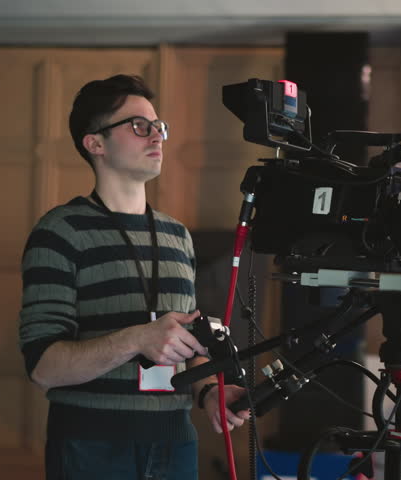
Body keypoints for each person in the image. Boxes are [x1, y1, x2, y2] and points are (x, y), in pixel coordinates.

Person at [18, 74, 250, 479]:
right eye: (139, 126)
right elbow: (43, 366)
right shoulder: (61, 231)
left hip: (175, 443)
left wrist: (209, 391)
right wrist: (137, 338)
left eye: (158, 127)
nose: (156, 137)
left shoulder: (177, 235)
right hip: (92, 448)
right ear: (96, 144)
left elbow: (186, 342)